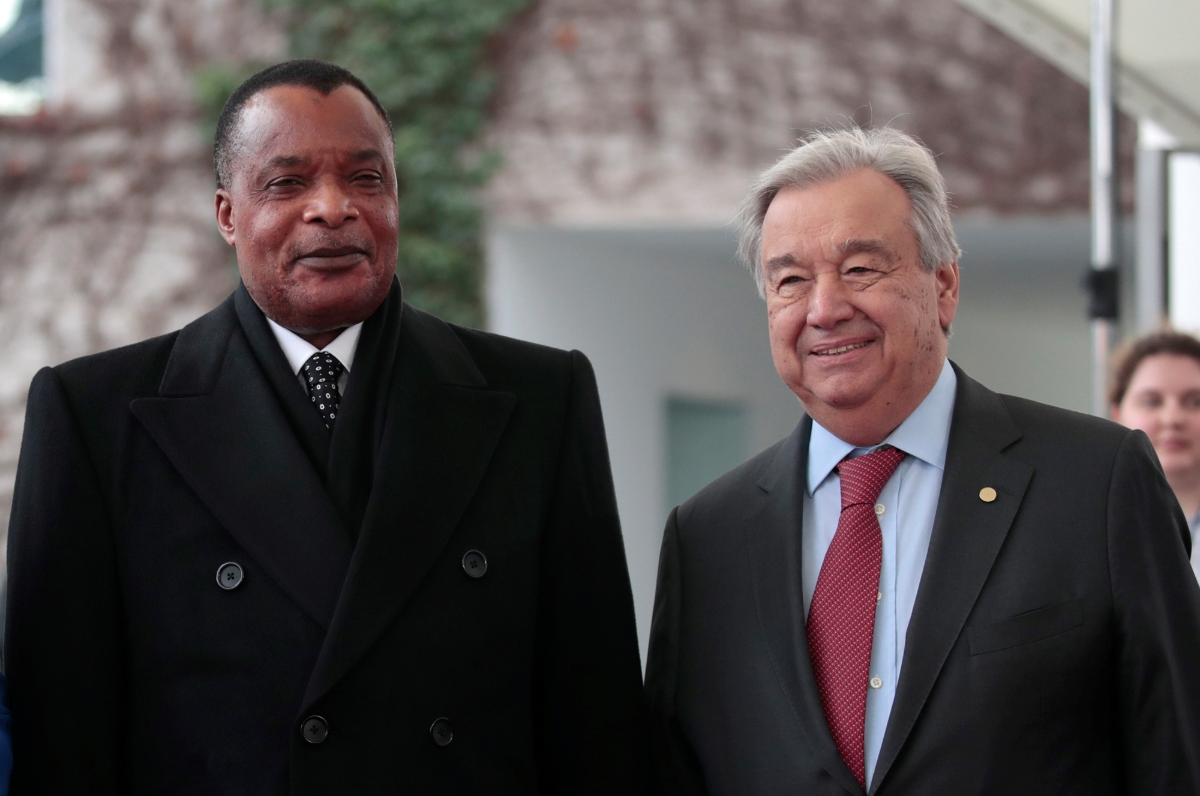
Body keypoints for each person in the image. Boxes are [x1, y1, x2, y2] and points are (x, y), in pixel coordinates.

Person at [5, 59, 650, 794]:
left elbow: (596, 722)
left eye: (367, 179)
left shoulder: (540, 398)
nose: (334, 208)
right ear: (227, 215)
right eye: (288, 183)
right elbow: (62, 736)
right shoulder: (94, 415)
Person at [644, 126, 1200, 795]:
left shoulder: (1097, 482)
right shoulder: (708, 537)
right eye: (790, 280)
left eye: (860, 269)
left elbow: (1178, 755)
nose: (825, 308)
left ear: (943, 286)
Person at [1112, 331, 1200, 583]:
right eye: (1151, 402)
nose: (1173, 419)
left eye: (1195, 402)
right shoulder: (1086, 523)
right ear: (1117, 414)